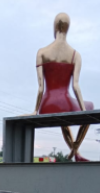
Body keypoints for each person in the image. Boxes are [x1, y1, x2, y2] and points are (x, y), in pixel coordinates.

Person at [29, 13, 94, 162]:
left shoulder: (42, 53)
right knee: (90, 107)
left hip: (46, 104)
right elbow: (75, 85)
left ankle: (73, 153)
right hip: (65, 101)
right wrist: (84, 111)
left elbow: (40, 88)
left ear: (54, 27)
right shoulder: (75, 55)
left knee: (63, 119)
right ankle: (74, 152)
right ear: (68, 28)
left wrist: (35, 110)